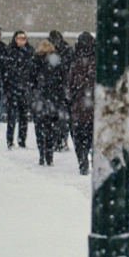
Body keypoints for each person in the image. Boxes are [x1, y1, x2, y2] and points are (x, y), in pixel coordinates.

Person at [65, 33, 97, 175]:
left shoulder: (75, 61)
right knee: (92, 137)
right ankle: (91, 160)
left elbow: (69, 85)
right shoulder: (97, 61)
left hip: (79, 107)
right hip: (92, 107)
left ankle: (83, 160)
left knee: (80, 137)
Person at [31, 39, 64, 166]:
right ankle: (49, 154)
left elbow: (31, 79)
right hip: (53, 98)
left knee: (39, 128)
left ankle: (42, 153)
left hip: (39, 98)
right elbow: (60, 79)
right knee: (51, 128)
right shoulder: (55, 61)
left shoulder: (35, 61)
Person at [4, 31, 35, 149]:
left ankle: (22, 140)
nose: (21, 41)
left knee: (23, 116)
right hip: (13, 88)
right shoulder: (10, 52)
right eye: (19, 38)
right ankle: (10, 139)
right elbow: (6, 70)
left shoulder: (29, 52)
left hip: (25, 88)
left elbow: (32, 71)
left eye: (23, 38)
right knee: (12, 116)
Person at [48, 30, 75, 151]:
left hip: (58, 88)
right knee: (60, 117)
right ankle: (59, 140)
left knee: (60, 117)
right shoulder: (65, 51)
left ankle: (60, 140)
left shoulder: (59, 51)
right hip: (58, 88)